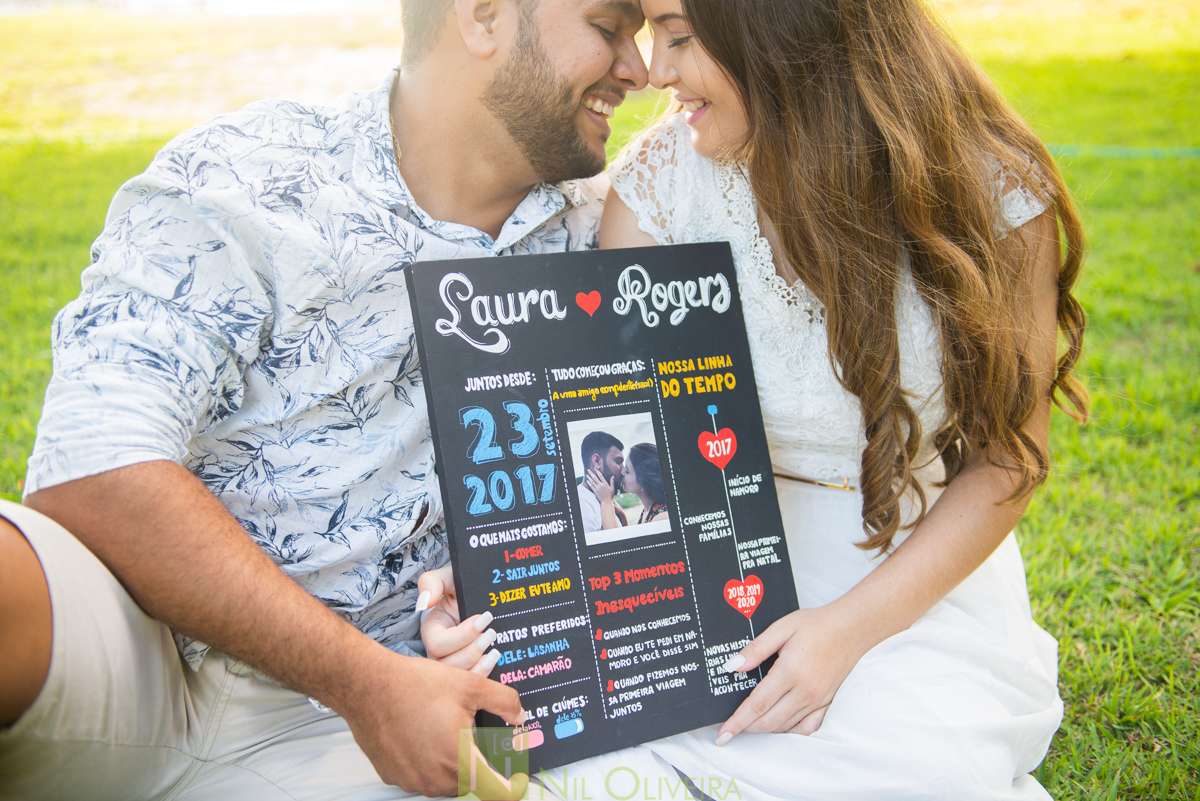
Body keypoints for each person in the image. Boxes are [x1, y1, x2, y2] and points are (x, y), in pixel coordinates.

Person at [425, 0, 1089, 797]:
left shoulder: (997, 192)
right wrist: (512, 565)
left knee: (906, 770)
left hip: (909, 566)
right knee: (520, 758)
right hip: (711, 559)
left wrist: (845, 632)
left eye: (679, 36)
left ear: (786, 30)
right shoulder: (657, 192)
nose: (654, 73)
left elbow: (1009, 461)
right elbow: (629, 441)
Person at [0, 0, 648, 798]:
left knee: (524, 780)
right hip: (144, 644)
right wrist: (362, 680)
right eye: (609, 27)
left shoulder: (608, 236)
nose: (639, 69)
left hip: (392, 713)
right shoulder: (245, 178)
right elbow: (90, 465)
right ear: (483, 17)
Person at [579, 430, 628, 532]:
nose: (623, 470)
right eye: (618, 462)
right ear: (597, 461)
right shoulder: (582, 507)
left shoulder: (606, 498)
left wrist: (623, 518)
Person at [623, 442, 668, 524]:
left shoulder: (661, 518)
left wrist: (606, 502)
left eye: (627, 471)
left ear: (643, 480)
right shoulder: (648, 509)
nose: (622, 472)